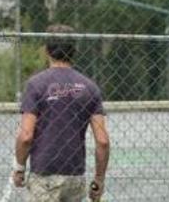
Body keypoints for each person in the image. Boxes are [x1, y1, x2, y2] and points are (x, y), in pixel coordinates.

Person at [12, 25, 110, 201]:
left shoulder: (36, 85)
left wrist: (19, 167)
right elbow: (102, 141)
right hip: (75, 176)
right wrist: (99, 180)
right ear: (74, 51)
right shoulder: (90, 88)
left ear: (46, 50)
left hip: (44, 176)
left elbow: (26, 136)